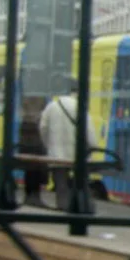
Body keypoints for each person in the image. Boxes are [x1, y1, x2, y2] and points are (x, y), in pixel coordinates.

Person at [39, 80, 97, 212]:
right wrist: (92, 148)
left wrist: (48, 145)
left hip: (57, 154)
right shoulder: (80, 106)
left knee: (61, 184)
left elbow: (43, 128)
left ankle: (63, 207)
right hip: (77, 154)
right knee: (82, 181)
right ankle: (84, 206)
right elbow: (89, 131)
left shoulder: (51, 106)